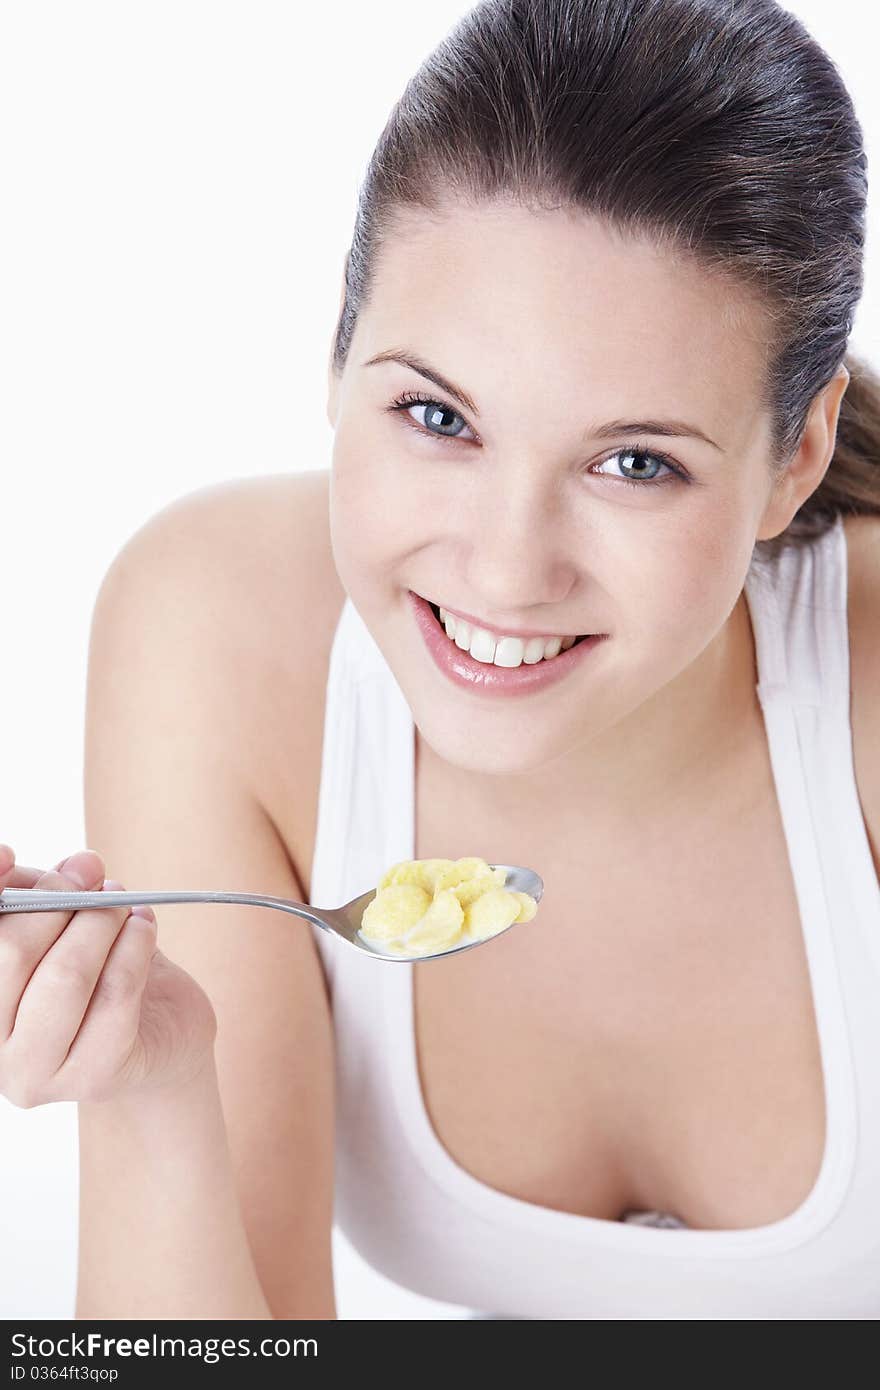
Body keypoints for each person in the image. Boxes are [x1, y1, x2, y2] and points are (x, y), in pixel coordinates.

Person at [2, 0, 880, 1319]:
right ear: (336, 352)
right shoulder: (218, 636)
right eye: (437, 414)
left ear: (793, 460)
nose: (506, 569)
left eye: (634, 462)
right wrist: (150, 1090)